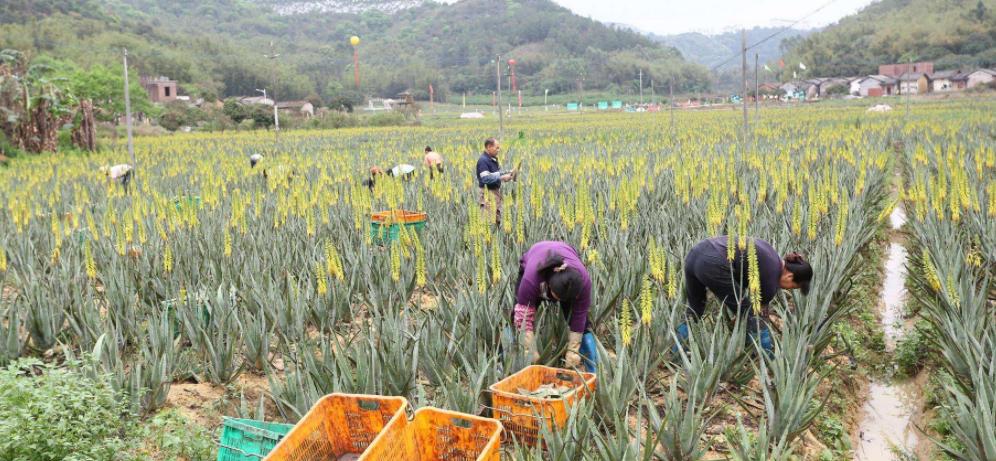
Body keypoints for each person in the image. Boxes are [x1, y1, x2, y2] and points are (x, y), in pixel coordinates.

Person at [676, 236, 813, 355]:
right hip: (714, 263)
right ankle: (766, 356)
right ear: (790, 276)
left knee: (695, 307)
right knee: (750, 314)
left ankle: (676, 351)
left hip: (695, 254)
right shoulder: (772, 274)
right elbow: (758, 314)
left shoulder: (771, 255)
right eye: (794, 287)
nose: (788, 289)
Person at [513, 241, 599, 372]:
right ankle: (509, 360)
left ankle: (593, 370)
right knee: (515, 317)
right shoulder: (531, 278)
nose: (557, 301)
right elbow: (523, 318)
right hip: (537, 259)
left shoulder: (582, 282)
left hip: (565, 278)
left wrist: (573, 351)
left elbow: (579, 315)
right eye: (555, 296)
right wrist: (530, 351)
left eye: (562, 299)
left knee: (584, 325)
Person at [476, 138, 515, 225]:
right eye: (496, 148)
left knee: (496, 222)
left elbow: (496, 174)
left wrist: (507, 174)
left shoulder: (491, 160)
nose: (498, 150)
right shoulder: (483, 160)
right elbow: (485, 178)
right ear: (489, 147)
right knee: (489, 223)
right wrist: (501, 177)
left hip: (495, 195)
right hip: (488, 197)